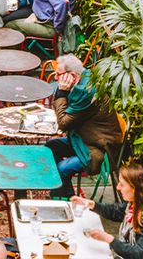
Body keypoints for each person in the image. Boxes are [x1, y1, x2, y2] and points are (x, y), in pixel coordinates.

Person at [46, 54, 122, 197]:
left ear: (73, 76)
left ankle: (60, 197)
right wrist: (62, 93)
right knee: (51, 147)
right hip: (84, 139)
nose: (56, 77)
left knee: (61, 169)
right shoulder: (81, 81)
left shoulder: (86, 93)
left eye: (58, 74)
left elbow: (63, 123)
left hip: (99, 149)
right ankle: (66, 193)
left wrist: (61, 92)